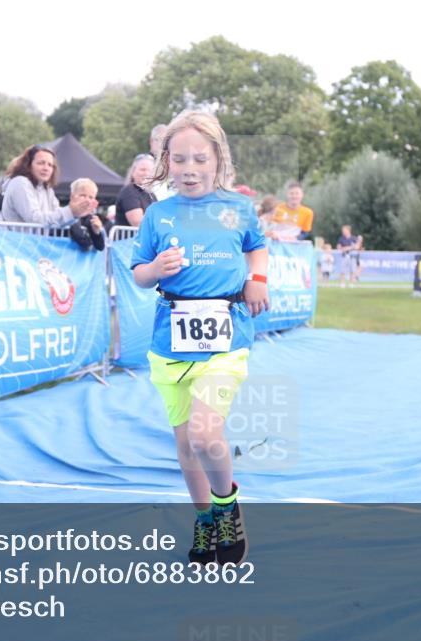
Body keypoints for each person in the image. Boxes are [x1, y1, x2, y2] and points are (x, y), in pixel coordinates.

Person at [131, 110, 268, 566]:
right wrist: (155, 270)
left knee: (205, 432)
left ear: (217, 160)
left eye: (200, 159)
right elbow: (139, 275)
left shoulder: (238, 208)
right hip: (170, 344)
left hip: (225, 339)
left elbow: (257, 244)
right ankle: (205, 519)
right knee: (186, 444)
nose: (190, 169)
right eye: (181, 159)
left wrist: (258, 278)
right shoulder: (157, 214)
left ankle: (227, 507)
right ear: (167, 160)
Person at [0, 145, 95, 226]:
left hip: (32, 245)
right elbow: (34, 219)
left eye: (50, 165)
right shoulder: (20, 182)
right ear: (28, 165)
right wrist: (70, 211)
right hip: (13, 245)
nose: (46, 168)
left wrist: (77, 213)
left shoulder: (47, 189)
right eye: (41, 163)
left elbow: (56, 220)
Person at [115, 154, 157, 227]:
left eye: (150, 171)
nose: (146, 174)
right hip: (131, 237)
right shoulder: (129, 191)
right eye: (142, 169)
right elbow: (138, 223)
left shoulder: (151, 195)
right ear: (133, 172)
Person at [67, 178, 106, 252]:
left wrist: (97, 231)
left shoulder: (89, 218)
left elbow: (100, 246)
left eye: (91, 197)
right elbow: (84, 242)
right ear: (72, 196)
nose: (87, 200)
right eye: (83, 195)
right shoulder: (66, 215)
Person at [148, 124, 175, 202]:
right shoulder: (144, 162)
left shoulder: (171, 162)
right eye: (159, 139)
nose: (163, 144)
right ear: (151, 141)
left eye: (166, 140)